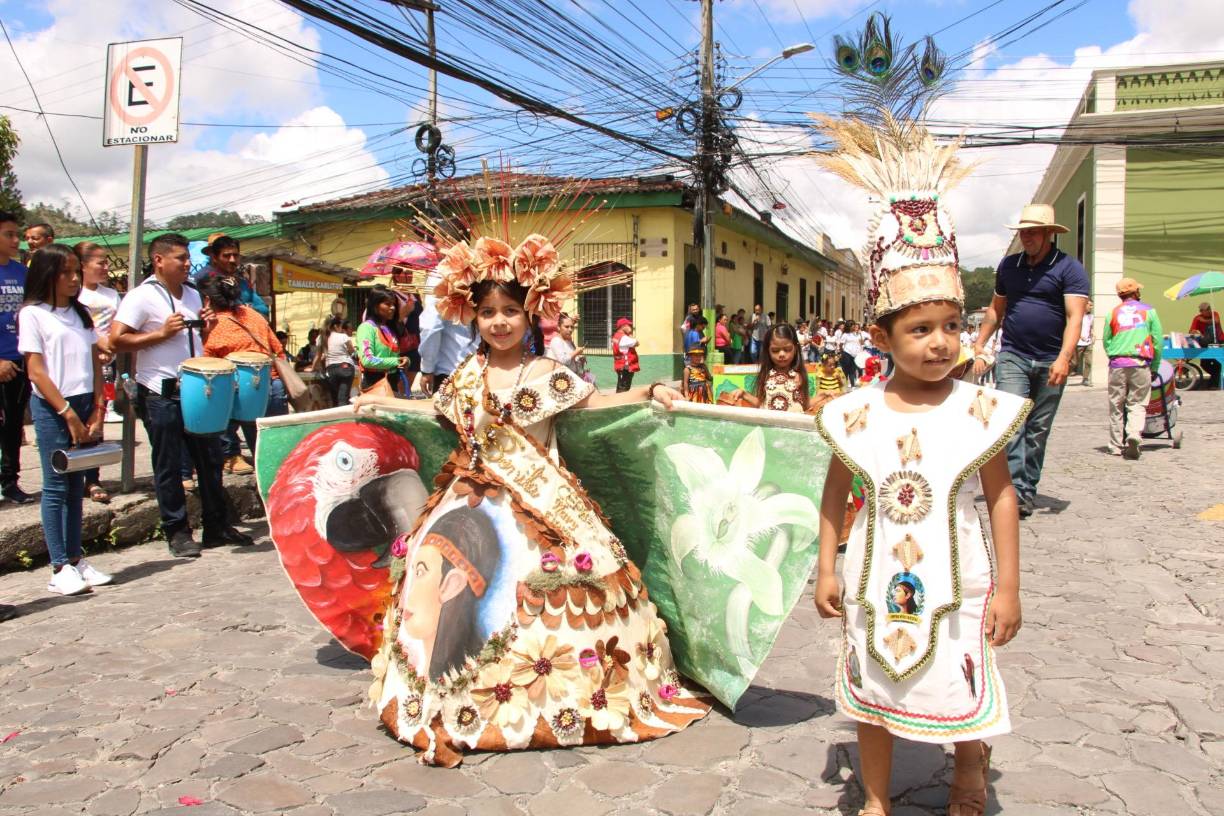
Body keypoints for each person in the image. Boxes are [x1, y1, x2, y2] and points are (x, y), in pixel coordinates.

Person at [354, 232, 707, 765]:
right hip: (465, 503)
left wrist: (649, 390)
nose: (499, 322)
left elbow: (598, 404)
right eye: (489, 311)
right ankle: (447, 701)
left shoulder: (546, 374)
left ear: (530, 315)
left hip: (540, 509)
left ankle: (556, 701)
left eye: (511, 311)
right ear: (473, 317)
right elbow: (436, 412)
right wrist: (386, 404)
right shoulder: (466, 376)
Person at [808, 91, 1029, 815]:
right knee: (874, 692)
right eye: (919, 330)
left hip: (959, 581)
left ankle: (969, 770)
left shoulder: (978, 409)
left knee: (962, 679)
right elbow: (836, 494)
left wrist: (1007, 588)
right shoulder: (856, 411)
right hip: (877, 580)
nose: (939, 342)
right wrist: (826, 566)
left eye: (950, 326)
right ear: (881, 339)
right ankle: (876, 799)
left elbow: (1000, 496)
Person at [111, 233, 253, 558]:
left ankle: (216, 526)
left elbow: (195, 339)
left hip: (197, 390)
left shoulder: (192, 293)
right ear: (159, 260)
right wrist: (159, 333)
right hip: (160, 391)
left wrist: (205, 326)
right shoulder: (141, 297)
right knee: (169, 464)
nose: (187, 263)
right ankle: (177, 531)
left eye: (188, 258)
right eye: (180, 258)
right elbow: (116, 339)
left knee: (210, 459)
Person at [973, 204, 1089, 519]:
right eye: (1023, 232)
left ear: (1049, 234)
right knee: (1011, 423)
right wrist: (980, 343)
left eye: (1033, 231)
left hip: (1053, 358)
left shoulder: (1069, 268)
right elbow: (996, 309)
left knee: (1038, 429)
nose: (1027, 237)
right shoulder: (1009, 266)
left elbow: (1074, 317)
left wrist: (1065, 358)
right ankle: (1015, 493)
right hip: (1014, 355)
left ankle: (1027, 488)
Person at [18, 244, 113, 595]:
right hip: (54, 408)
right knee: (56, 488)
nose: (74, 279)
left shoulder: (80, 313)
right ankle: (59, 566)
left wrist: (98, 408)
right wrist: (68, 414)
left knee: (76, 488)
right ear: (47, 274)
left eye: (77, 271)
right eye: (66, 272)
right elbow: (37, 370)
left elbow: (95, 363)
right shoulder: (33, 314)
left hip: (85, 403)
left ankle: (76, 559)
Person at [198, 275, 288, 474]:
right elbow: (277, 348)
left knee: (221, 404)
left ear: (207, 300)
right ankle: (270, 462)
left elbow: (206, 361)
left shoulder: (214, 325)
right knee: (270, 440)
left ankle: (231, 455)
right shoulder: (253, 315)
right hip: (271, 383)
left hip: (238, 389)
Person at [74, 242, 121, 502]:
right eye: (100, 263)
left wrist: (110, 349)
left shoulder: (111, 294)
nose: (105, 267)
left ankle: (92, 479)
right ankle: (74, 476)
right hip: (79, 363)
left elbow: (118, 326)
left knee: (97, 419)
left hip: (106, 363)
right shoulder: (74, 296)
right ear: (83, 266)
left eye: (106, 262)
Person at [1103, 278, 1162, 460]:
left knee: (1116, 405)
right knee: (1137, 403)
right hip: (1140, 363)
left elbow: (1106, 340)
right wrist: (1155, 365)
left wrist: (1114, 356)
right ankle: (1134, 434)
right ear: (1136, 293)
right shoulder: (1149, 311)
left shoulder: (1112, 313)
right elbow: (1157, 341)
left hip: (1117, 363)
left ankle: (1115, 445)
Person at [0, 212, 34, 504]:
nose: (15, 240)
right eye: (9, 234)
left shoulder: (22, 273)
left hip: (19, 361)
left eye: (16, 234)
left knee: (13, 424)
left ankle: (9, 481)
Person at [726, 323, 809, 413]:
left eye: (787, 349)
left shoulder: (799, 377)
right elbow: (761, 404)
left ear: (795, 348)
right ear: (768, 351)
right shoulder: (766, 375)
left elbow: (805, 404)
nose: (781, 354)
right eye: (775, 350)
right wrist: (744, 394)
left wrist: (822, 396)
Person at [194, 234, 269, 319]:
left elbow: (263, 308)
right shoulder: (203, 281)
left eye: (235, 255)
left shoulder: (242, 282)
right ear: (214, 257)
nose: (232, 260)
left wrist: (249, 310)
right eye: (226, 256)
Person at [355, 285, 408, 393]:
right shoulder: (367, 328)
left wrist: (405, 361)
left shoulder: (391, 329)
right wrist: (396, 361)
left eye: (393, 304)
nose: (392, 307)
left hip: (392, 383)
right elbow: (367, 360)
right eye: (387, 304)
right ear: (375, 306)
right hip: (375, 385)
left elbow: (394, 357)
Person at [318, 317, 356, 407]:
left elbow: (318, 355)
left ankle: (337, 419)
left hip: (331, 369)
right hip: (345, 367)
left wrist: (313, 367)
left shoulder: (322, 337)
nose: (341, 329)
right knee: (343, 398)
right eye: (340, 326)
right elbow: (351, 350)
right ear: (335, 326)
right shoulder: (343, 336)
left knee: (335, 398)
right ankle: (345, 420)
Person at [545, 312, 592, 383]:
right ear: (558, 327)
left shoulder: (568, 341)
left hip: (573, 378)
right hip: (562, 381)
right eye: (566, 327)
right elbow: (563, 361)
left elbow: (571, 358)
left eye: (572, 327)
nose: (570, 330)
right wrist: (576, 352)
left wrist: (580, 359)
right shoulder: (556, 341)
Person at [1189, 302, 1223, 387]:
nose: (1209, 311)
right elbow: (1191, 331)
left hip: (1218, 341)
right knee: (1204, 364)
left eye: (1209, 309)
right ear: (1201, 311)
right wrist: (1196, 332)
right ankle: (1214, 382)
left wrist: (1204, 321)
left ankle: (1213, 384)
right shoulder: (1197, 318)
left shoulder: (1214, 314)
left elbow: (1216, 321)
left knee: (1217, 363)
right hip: (1205, 343)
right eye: (1206, 310)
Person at [611, 316, 639, 392]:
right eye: (628, 325)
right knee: (624, 388)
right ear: (623, 326)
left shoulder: (616, 336)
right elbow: (637, 342)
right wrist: (629, 333)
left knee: (621, 386)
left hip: (620, 365)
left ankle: (618, 401)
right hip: (626, 367)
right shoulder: (624, 338)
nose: (630, 327)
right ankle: (620, 402)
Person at [1074, 302, 1094, 387]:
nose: (1091, 307)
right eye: (1090, 305)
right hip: (1078, 343)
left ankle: (1085, 379)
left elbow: (1091, 327)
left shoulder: (1091, 317)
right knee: (1074, 362)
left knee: (1088, 362)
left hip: (1088, 342)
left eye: (1092, 305)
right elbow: (1073, 327)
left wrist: (1093, 334)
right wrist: (1079, 336)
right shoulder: (1078, 315)